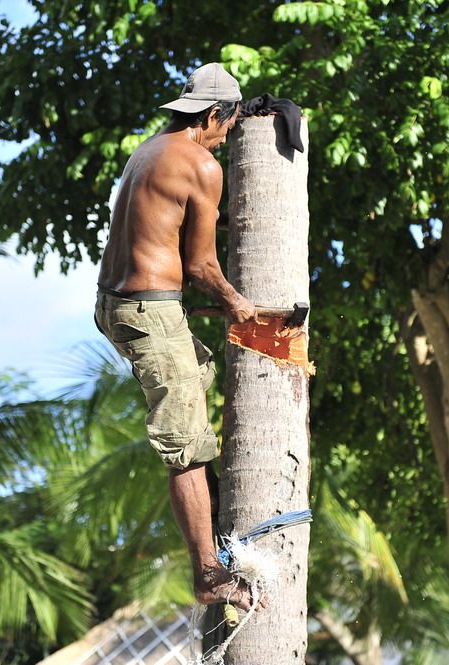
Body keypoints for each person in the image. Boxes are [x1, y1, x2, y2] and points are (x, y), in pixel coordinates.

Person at [94, 63, 261, 610]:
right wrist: (239, 305)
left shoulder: (147, 151)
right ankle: (210, 575)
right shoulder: (201, 164)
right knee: (185, 444)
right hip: (148, 308)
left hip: (115, 303)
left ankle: (206, 509)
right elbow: (201, 265)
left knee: (200, 369)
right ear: (215, 115)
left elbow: (168, 228)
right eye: (228, 128)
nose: (226, 137)